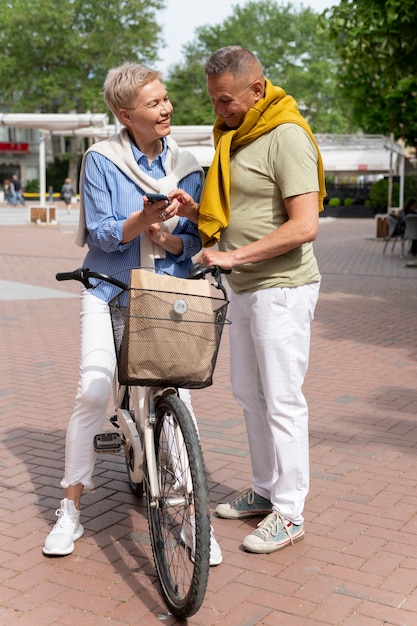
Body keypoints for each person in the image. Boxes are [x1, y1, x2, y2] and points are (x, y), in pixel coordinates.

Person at [42, 61, 222, 566]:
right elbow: (101, 233)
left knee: (176, 393)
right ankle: (70, 507)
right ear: (126, 113)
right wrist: (141, 218)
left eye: (165, 98)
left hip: (166, 295)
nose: (166, 108)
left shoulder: (188, 163)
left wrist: (170, 236)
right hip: (108, 287)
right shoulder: (101, 160)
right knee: (94, 389)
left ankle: (191, 516)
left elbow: (195, 239)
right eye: (154, 103)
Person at [171, 46, 326, 554]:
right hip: (245, 287)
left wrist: (235, 258)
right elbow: (239, 214)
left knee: (282, 399)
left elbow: (305, 226)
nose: (218, 111)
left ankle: (291, 511)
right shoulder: (237, 137)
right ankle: (265, 489)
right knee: (249, 394)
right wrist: (197, 215)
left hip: (281, 288)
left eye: (225, 101)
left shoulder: (286, 136)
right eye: (213, 102)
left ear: (256, 90)